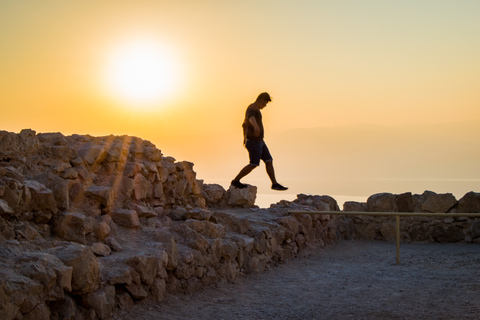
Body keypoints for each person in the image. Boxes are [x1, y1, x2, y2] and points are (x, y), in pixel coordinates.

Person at [231, 92, 288, 191]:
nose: (265, 106)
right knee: (253, 163)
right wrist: (256, 126)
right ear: (261, 100)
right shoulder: (252, 107)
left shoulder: (255, 109)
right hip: (254, 142)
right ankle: (235, 181)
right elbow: (250, 118)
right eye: (265, 104)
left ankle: (274, 184)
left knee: (269, 161)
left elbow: (244, 124)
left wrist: (244, 138)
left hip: (260, 141)